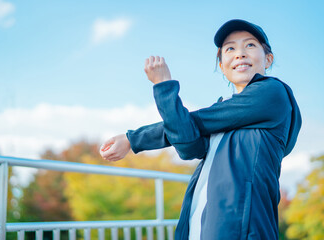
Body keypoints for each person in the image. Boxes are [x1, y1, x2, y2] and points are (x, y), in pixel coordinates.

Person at [99, 19, 301, 240]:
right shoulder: (223, 114)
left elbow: (197, 120)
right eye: (230, 48)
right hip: (199, 227)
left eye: (250, 45)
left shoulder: (273, 92)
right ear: (222, 66)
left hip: (240, 230)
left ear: (268, 58)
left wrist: (135, 135)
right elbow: (187, 144)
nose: (240, 53)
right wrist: (131, 139)